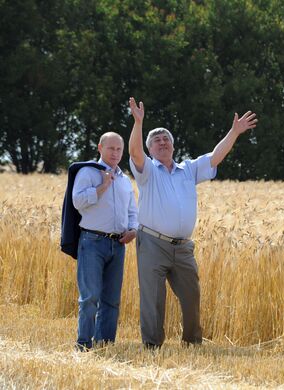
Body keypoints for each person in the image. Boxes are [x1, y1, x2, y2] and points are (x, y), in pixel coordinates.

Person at [128, 97, 257, 349]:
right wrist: (138, 122)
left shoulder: (188, 169)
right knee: (153, 298)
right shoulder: (147, 172)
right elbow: (134, 151)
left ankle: (192, 343)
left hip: (183, 248)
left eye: (166, 139)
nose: (162, 143)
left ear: (173, 146)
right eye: (156, 141)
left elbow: (214, 157)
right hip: (153, 243)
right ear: (150, 149)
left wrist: (234, 131)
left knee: (191, 296)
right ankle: (153, 346)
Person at [72, 132, 139, 350]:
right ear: (100, 147)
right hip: (92, 241)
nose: (115, 153)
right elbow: (78, 201)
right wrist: (102, 186)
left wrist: (133, 230)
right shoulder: (88, 172)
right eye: (111, 148)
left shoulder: (125, 180)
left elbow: (132, 211)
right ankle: (83, 344)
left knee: (111, 299)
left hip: (118, 244)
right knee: (90, 297)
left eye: (119, 149)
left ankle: (105, 344)